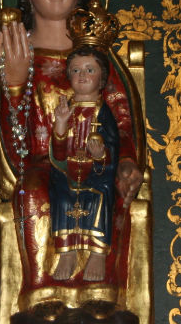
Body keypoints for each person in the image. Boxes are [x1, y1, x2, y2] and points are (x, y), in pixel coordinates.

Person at [0, 0, 144, 312]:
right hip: (46, 167)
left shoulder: (101, 60)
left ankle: (100, 289)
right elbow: (15, 146)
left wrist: (125, 159)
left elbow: (123, 122)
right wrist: (15, 84)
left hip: (98, 165)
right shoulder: (20, 58)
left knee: (106, 188)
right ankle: (44, 291)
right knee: (33, 191)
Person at [50, 46, 119, 282]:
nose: (82, 75)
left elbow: (112, 147)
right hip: (68, 172)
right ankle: (67, 252)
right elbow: (58, 154)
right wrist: (60, 124)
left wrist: (100, 155)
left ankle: (97, 253)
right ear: (68, 76)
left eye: (90, 70)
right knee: (61, 197)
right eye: (76, 70)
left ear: (102, 79)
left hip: (97, 175)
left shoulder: (103, 113)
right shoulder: (66, 109)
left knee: (98, 197)